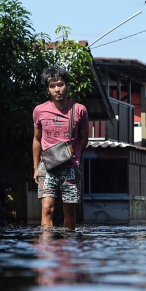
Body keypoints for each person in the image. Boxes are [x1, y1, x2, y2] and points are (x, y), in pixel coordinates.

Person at [32, 66, 89, 230]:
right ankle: (47, 245)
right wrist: (36, 168)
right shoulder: (39, 111)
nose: (57, 89)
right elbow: (36, 139)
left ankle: (68, 248)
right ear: (47, 89)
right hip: (47, 166)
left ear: (67, 85)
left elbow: (84, 138)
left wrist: (75, 156)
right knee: (46, 209)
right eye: (52, 86)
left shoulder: (79, 110)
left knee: (69, 211)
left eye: (60, 84)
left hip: (71, 167)